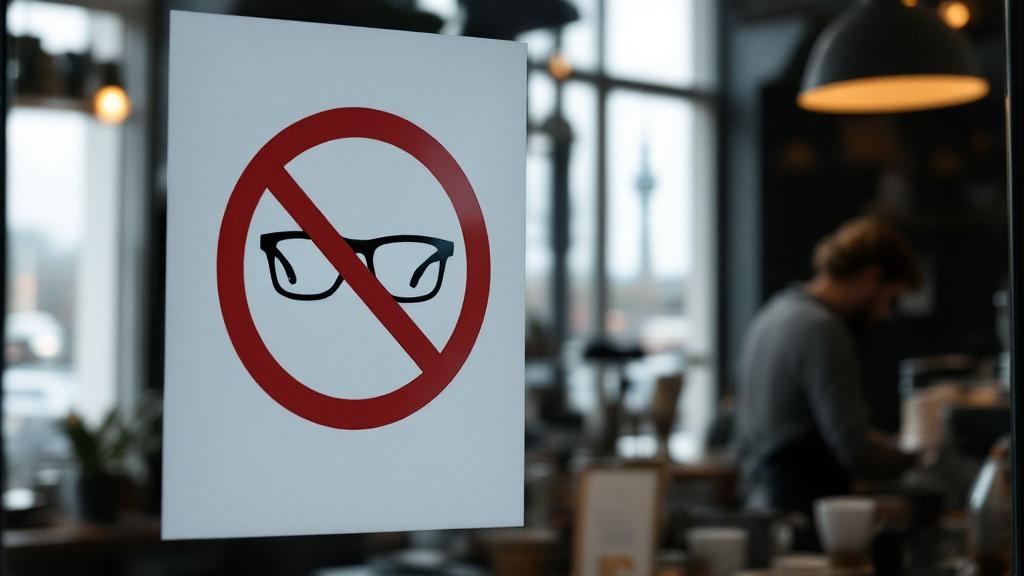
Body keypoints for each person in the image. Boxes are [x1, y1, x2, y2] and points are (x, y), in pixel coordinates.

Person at [734, 215, 922, 525]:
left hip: (760, 504)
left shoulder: (773, 313)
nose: (885, 314)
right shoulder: (822, 329)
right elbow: (855, 451)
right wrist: (920, 455)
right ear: (873, 277)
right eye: (891, 299)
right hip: (804, 515)